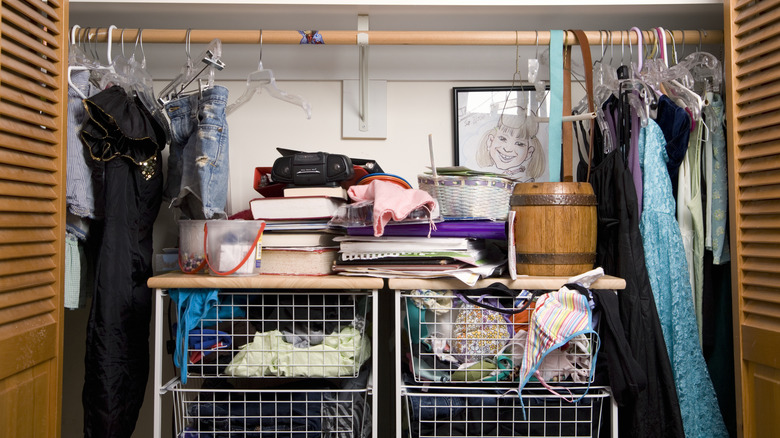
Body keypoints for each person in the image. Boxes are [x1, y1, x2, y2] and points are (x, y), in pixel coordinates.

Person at [475, 114, 546, 181]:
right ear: (490, 141)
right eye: (502, 139)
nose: (508, 149)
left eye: (519, 143)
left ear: (529, 153)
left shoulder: (526, 180)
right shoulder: (483, 173)